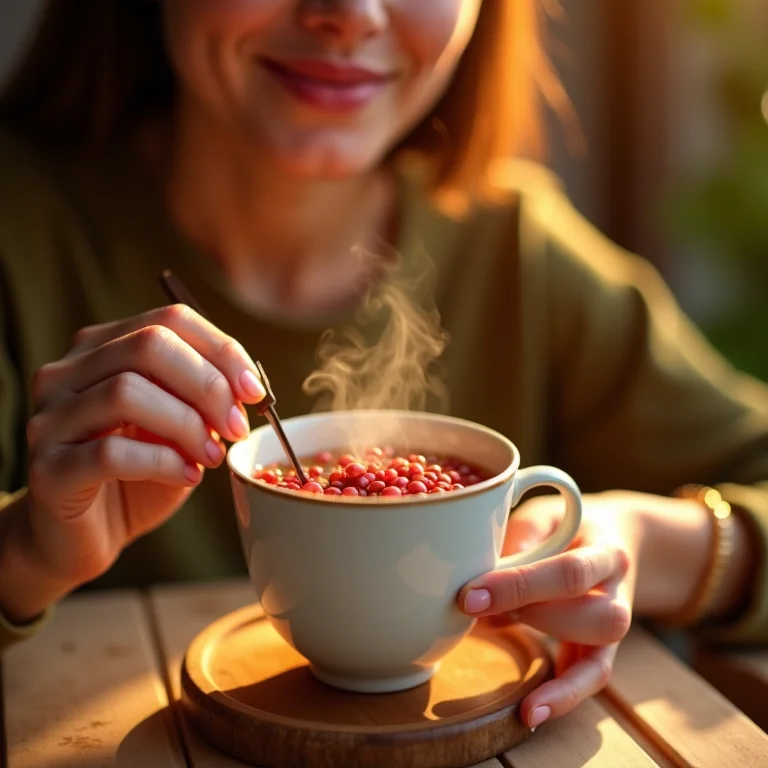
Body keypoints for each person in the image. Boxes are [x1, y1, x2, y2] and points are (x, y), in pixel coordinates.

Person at [0, 0, 766, 732]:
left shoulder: (521, 255)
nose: (351, 11)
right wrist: (26, 554)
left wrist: (651, 541)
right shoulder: (20, 228)